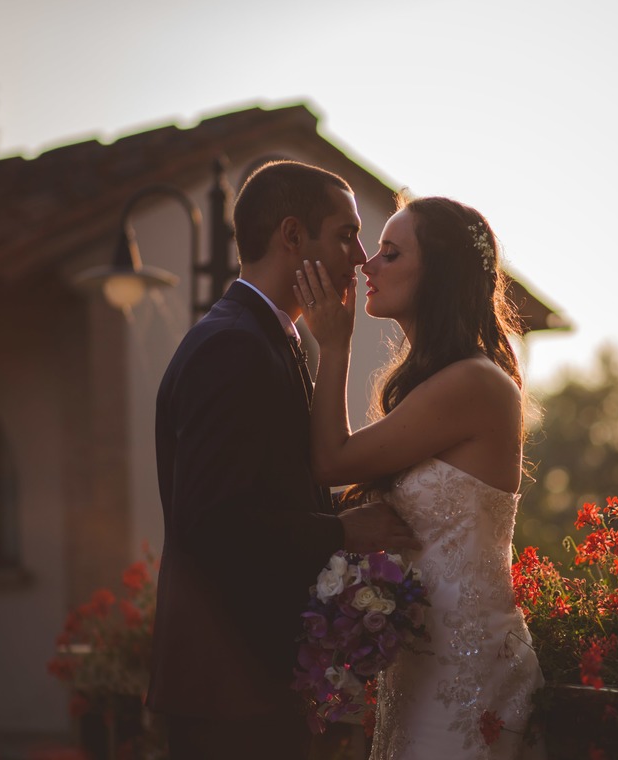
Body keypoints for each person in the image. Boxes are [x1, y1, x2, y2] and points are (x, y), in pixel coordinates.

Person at [147, 160, 420, 760]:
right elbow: (213, 522)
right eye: (346, 235)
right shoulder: (232, 347)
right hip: (228, 686)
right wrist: (341, 531)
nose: (358, 258)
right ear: (292, 236)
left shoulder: (271, 339)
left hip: (255, 679)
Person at [295, 195, 546, 759]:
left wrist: (333, 346)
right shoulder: (435, 384)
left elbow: (331, 461)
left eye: (389, 252)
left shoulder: (473, 384)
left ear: (438, 274)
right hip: (420, 667)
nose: (367, 266)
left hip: (468, 671)